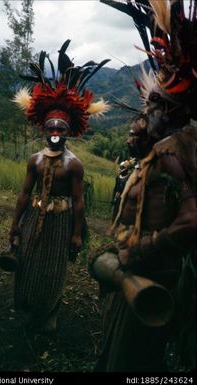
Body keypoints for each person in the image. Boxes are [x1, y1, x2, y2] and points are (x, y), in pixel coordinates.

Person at [89, 0, 197, 372]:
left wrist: (139, 252)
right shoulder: (166, 151)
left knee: (131, 360)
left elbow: (189, 222)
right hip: (147, 270)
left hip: (154, 274)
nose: (143, 113)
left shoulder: (172, 153)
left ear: (168, 109)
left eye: (151, 104)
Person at [8, 40, 110, 332]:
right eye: (51, 128)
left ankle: (49, 312)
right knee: (27, 261)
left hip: (60, 221)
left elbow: (79, 201)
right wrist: (15, 224)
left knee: (53, 268)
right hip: (32, 218)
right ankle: (29, 307)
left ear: (68, 132)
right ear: (44, 129)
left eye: (60, 129)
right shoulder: (35, 160)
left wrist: (76, 233)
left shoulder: (74, 164)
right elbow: (25, 193)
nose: (54, 132)